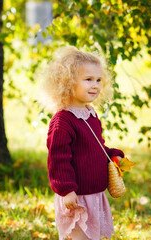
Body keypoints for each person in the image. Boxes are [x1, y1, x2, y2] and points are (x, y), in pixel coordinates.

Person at [40, 46, 125, 240]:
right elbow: (58, 159)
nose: (95, 85)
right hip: (76, 197)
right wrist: (66, 190)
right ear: (68, 82)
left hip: (95, 195)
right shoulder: (63, 120)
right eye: (88, 79)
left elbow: (96, 147)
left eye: (98, 80)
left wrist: (111, 153)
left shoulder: (90, 114)